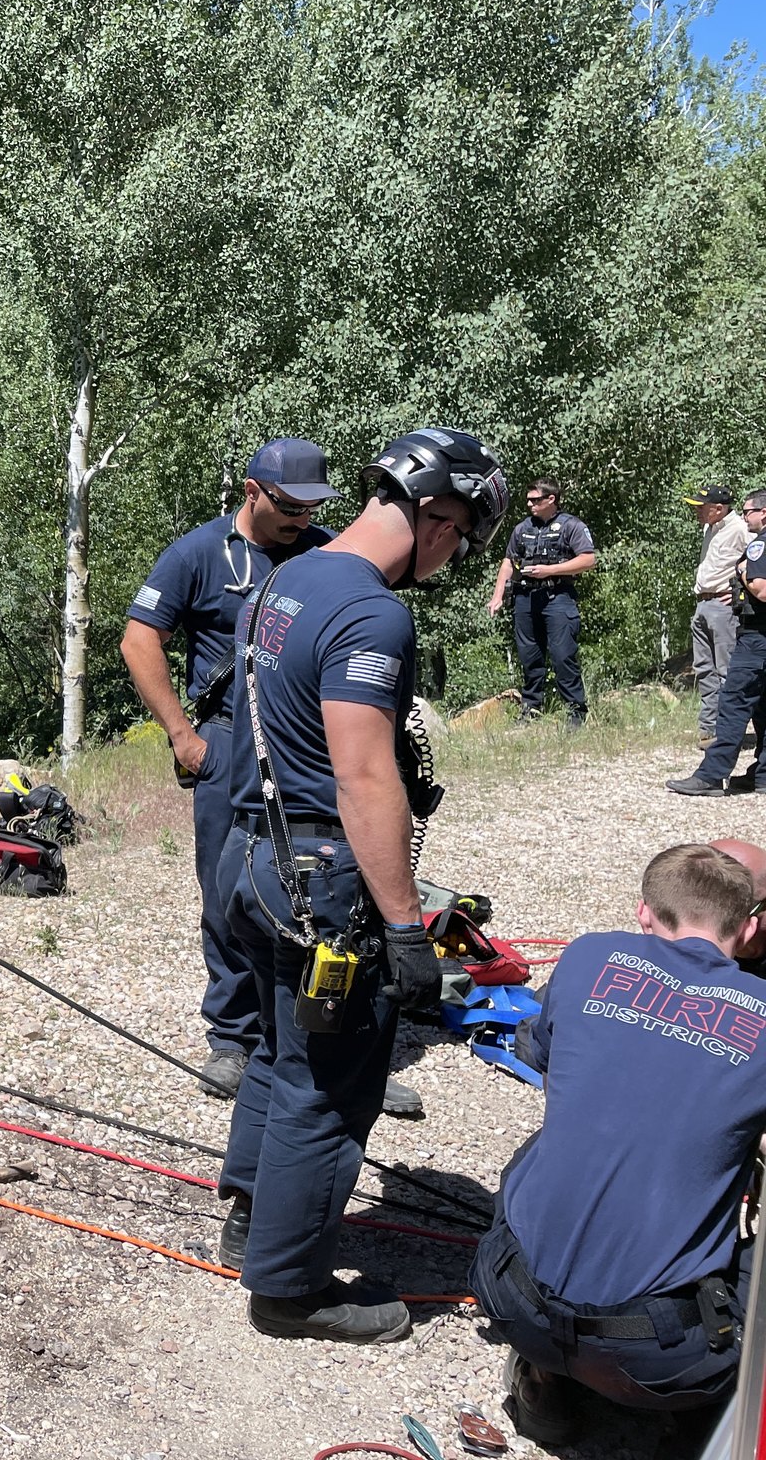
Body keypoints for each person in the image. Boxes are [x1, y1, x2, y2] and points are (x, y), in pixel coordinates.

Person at [212, 426, 508, 1343]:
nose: (453, 553)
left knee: (275, 1046)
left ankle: (251, 1223)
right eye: (458, 533)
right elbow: (365, 777)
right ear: (433, 512)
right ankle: (290, 1287)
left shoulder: (288, 577)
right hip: (321, 881)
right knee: (332, 1081)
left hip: (252, 858)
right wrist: (405, 927)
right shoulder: (375, 612)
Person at [471, 843, 766, 1445]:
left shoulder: (589, 956)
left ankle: (543, 1382)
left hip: (509, 1297)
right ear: (752, 926)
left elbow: (551, 1069)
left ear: (644, 913)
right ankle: (711, 1429)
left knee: (539, 1152)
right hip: (661, 1359)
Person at [121, 438, 339, 1102]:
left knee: (318, 886)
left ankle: (319, 1039)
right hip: (225, 745)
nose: (300, 518)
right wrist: (184, 737)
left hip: (309, 745)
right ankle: (234, 1038)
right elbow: (139, 639)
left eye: (311, 507)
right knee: (228, 893)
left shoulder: (326, 552)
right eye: (287, 505)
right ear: (252, 491)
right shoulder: (199, 553)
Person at [669, 488, 766, 797]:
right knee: (762, 705)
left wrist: (740, 575)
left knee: (734, 699)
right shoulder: (713, 531)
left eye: (749, 510)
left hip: (755, 633)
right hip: (748, 626)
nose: (746, 515)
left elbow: (761, 589)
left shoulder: (755, 542)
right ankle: (763, 775)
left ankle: (712, 774)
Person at [485, 477, 596, 726]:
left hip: (557, 597)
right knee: (529, 657)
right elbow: (508, 562)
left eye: (535, 500)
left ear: (551, 499)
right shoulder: (522, 528)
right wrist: (497, 595)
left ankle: (576, 713)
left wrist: (551, 570)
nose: (529, 504)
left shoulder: (571, 526)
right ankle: (531, 710)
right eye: (528, 500)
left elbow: (588, 560)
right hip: (526, 598)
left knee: (562, 655)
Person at [687, 485, 752, 750]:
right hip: (703, 603)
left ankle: (728, 732)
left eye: (701, 507)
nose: (696, 512)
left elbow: (759, 555)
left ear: (718, 509)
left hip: (724, 607)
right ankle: (709, 729)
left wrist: (744, 592)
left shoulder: (740, 528)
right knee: (704, 670)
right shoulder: (710, 528)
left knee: (727, 672)